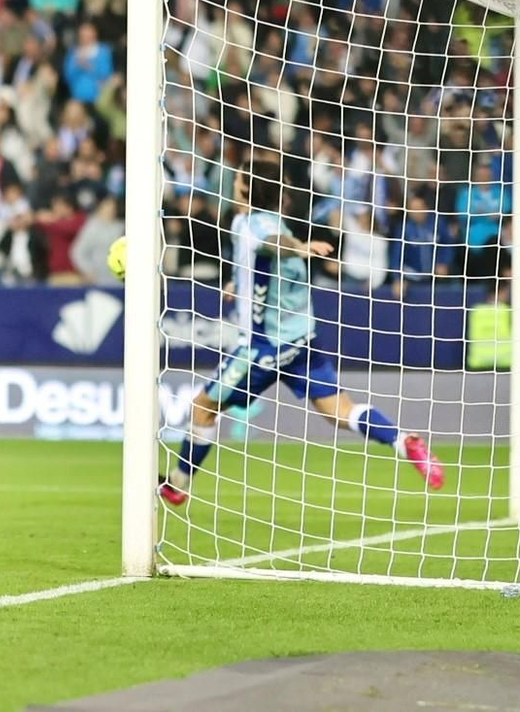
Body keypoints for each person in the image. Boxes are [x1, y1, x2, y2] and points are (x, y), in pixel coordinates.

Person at [159, 165, 445, 507]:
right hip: (302, 341)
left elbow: (273, 245)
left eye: (237, 179)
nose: (232, 182)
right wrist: (239, 282)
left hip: (262, 348)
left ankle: (178, 484)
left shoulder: (256, 227)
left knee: (202, 409)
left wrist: (298, 247)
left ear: (247, 188)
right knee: (340, 412)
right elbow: (260, 257)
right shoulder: (256, 222)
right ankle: (403, 441)